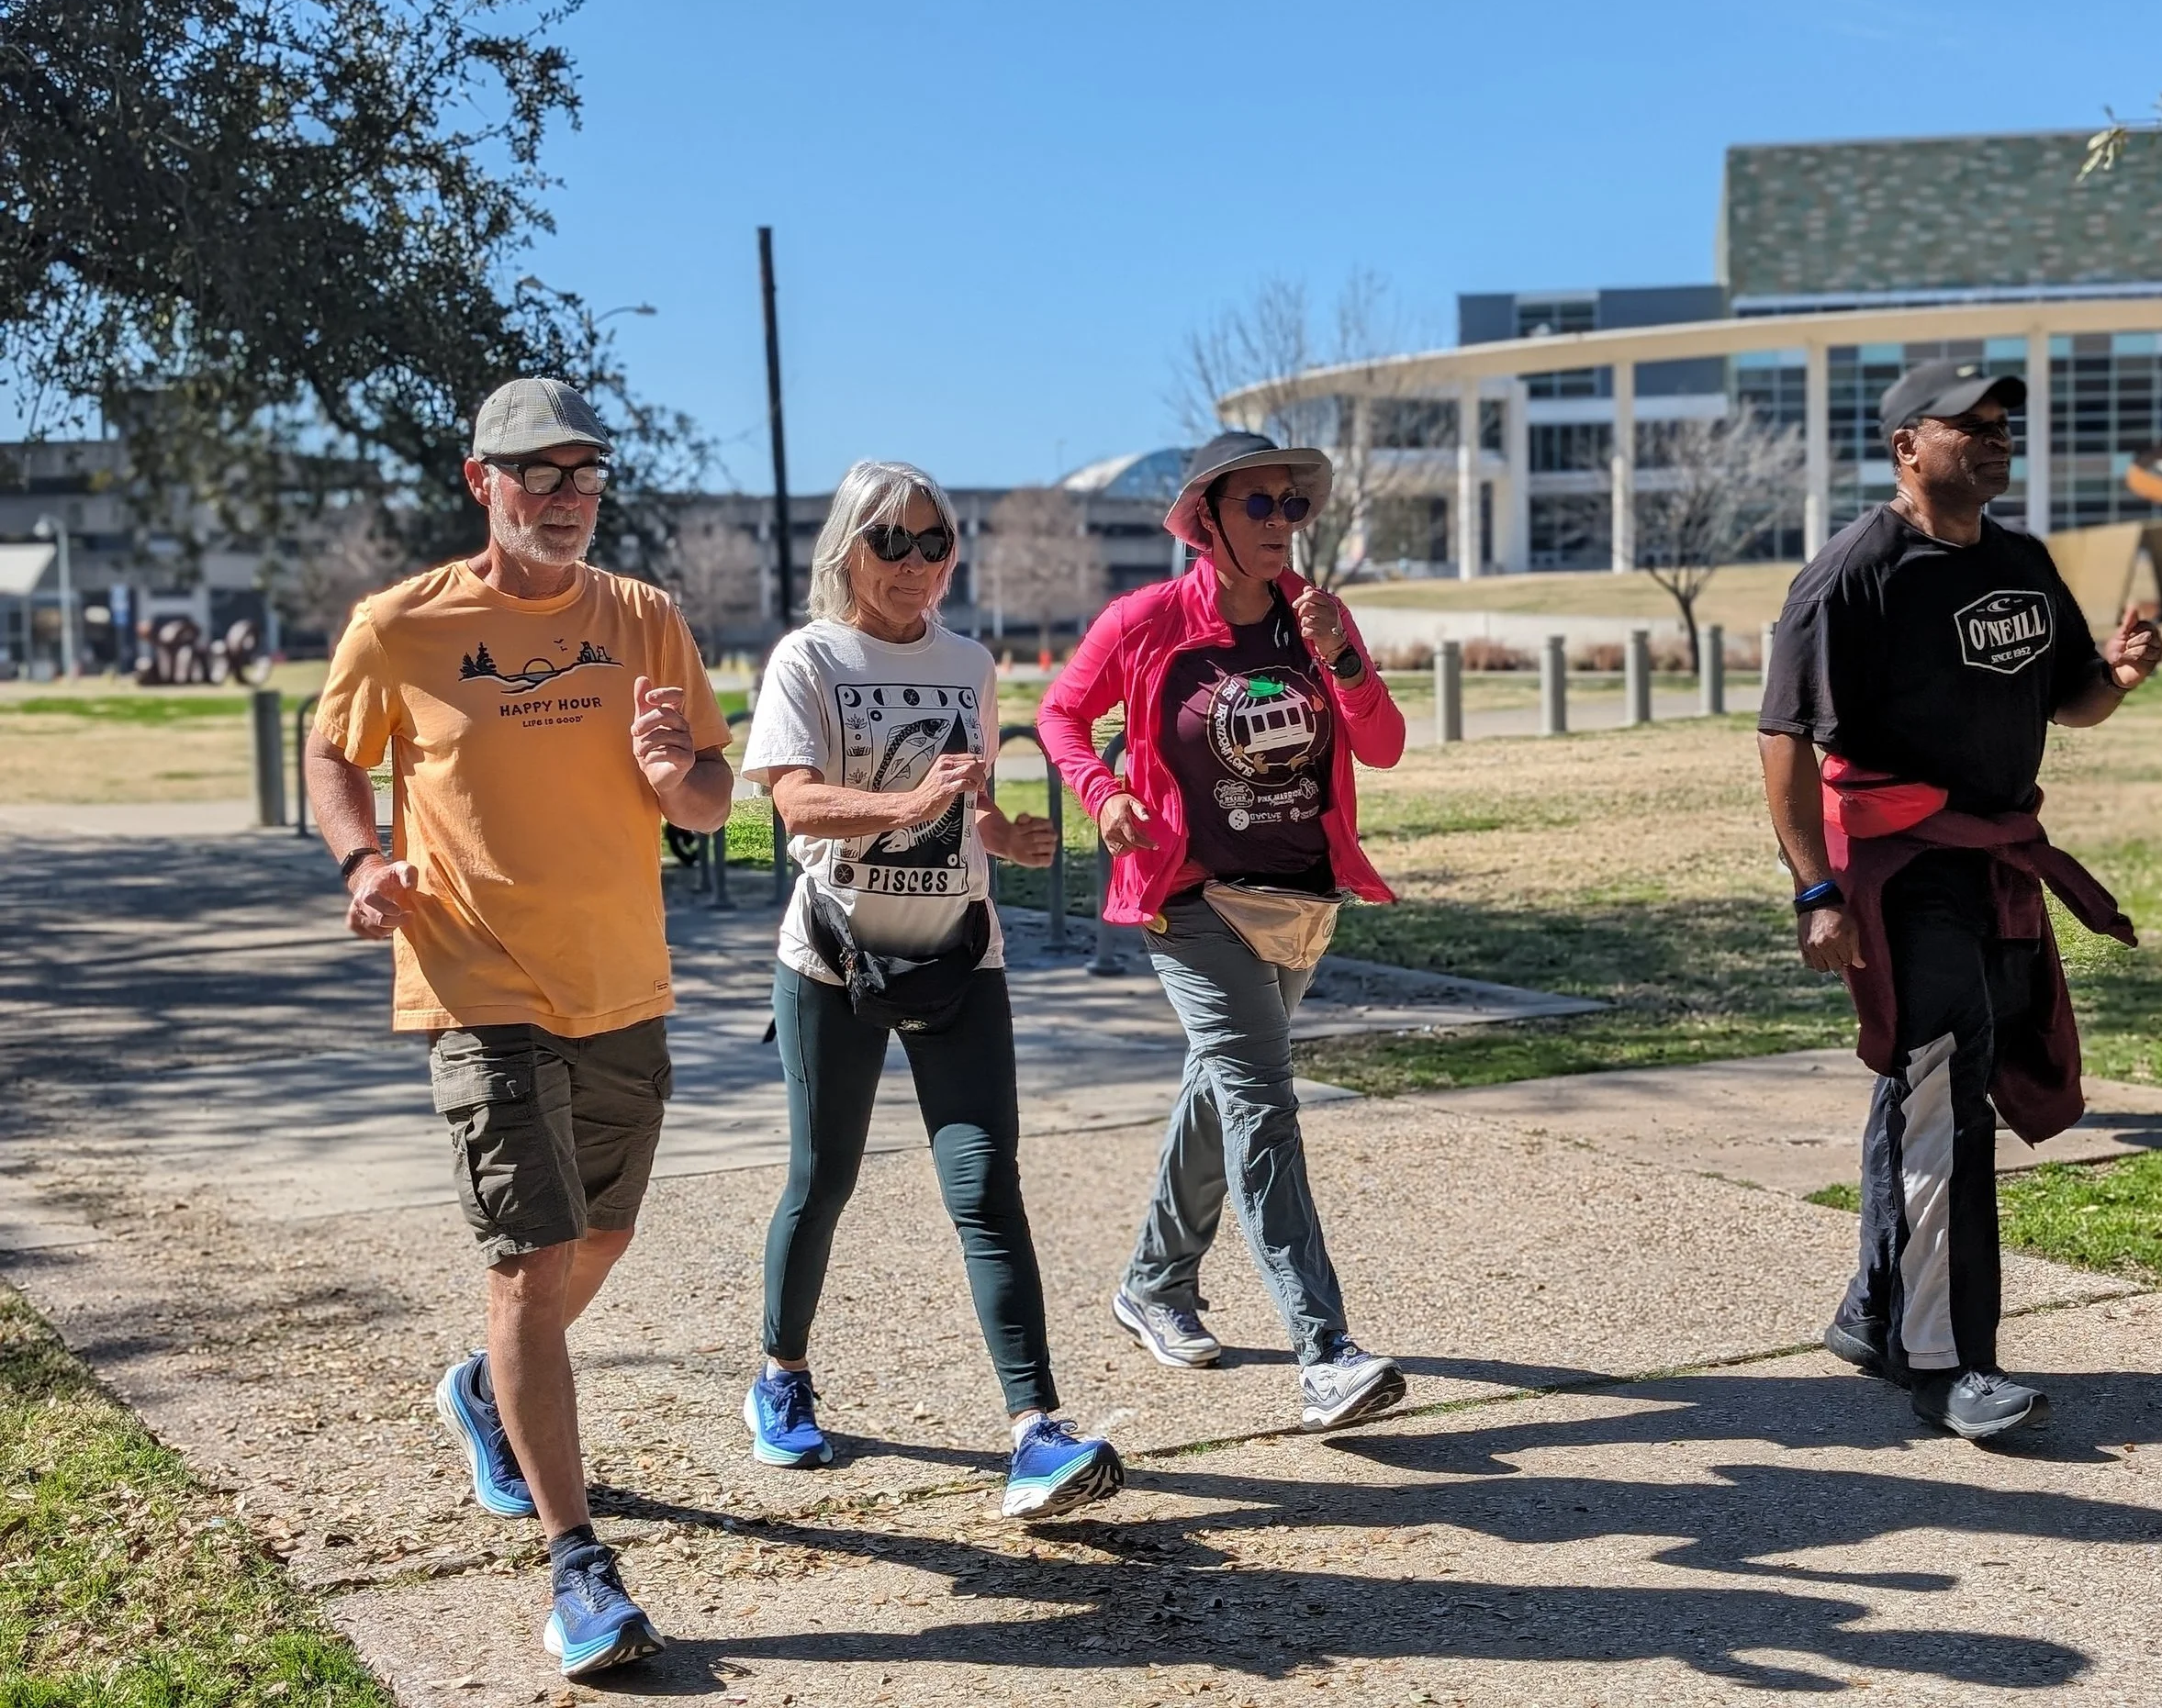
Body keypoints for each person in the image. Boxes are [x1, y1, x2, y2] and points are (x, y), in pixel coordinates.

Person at [307, 378, 731, 1677]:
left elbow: (712, 800)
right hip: (474, 975)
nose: (564, 497)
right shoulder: (401, 625)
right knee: (531, 1262)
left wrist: (677, 777)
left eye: (583, 474)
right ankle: (578, 1564)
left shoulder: (645, 617)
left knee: (603, 1233)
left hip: (621, 977)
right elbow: (332, 752)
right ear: (479, 480)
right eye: (537, 473)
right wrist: (361, 859)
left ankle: (488, 1386)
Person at [1758, 359, 2161, 1441]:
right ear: (1905, 446)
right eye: (1968, 425)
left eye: (2001, 424)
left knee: (1930, 1083)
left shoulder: (2021, 562)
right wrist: (1815, 888)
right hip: (1902, 867)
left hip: (1995, 860)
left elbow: (2069, 700)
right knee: (1943, 1090)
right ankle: (1945, 1361)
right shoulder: (1852, 575)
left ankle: (1873, 1309)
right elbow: (1782, 737)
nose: (1994, 438)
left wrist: (2117, 678)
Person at [741, 458, 1126, 1520]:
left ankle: (1035, 1431)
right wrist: (907, 802)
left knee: (986, 1182)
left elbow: (970, 804)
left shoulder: (969, 662)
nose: (914, 562)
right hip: (834, 958)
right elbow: (795, 805)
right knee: (822, 1178)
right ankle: (780, 1374)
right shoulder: (809, 658)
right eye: (890, 540)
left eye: (933, 541)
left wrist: (1006, 834)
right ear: (847, 548)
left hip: (961, 954)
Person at [1036, 430, 1410, 1433]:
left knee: (1223, 1089)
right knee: (1263, 1106)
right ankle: (1325, 1353)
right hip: (1192, 898)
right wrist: (1103, 792)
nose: (1283, 521)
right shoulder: (1147, 620)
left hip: (1298, 899)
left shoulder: (1316, 619)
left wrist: (1341, 656)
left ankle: (1153, 1283)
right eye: (1260, 504)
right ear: (1206, 520)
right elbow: (1060, 715)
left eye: (1293, 505)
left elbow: (1382, 744)